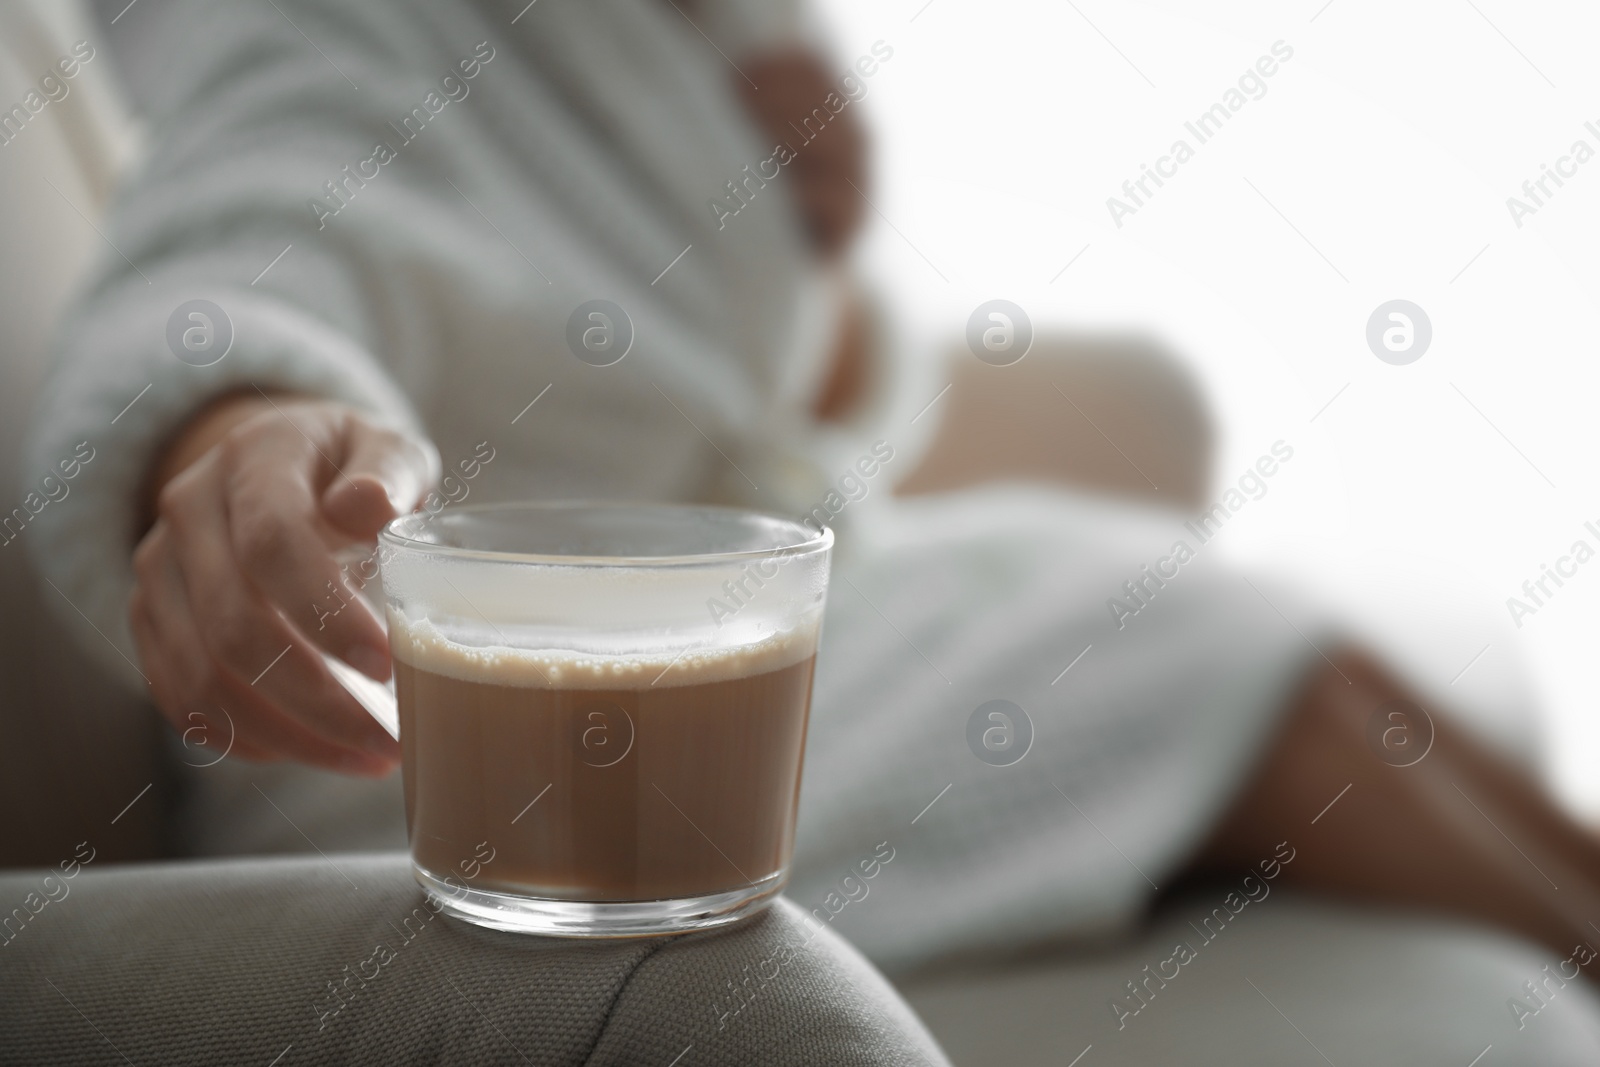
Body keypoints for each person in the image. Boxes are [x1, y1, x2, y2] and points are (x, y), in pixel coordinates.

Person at [25, 0, 1600, 1031]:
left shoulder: (687, 68)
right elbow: (214, 276)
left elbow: (774, 404)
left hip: (711, 657)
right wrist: (239, 437)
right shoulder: (338, 36)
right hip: (428, 760)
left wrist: (816, 257)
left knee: (1237, 632)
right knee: (1239, 662)